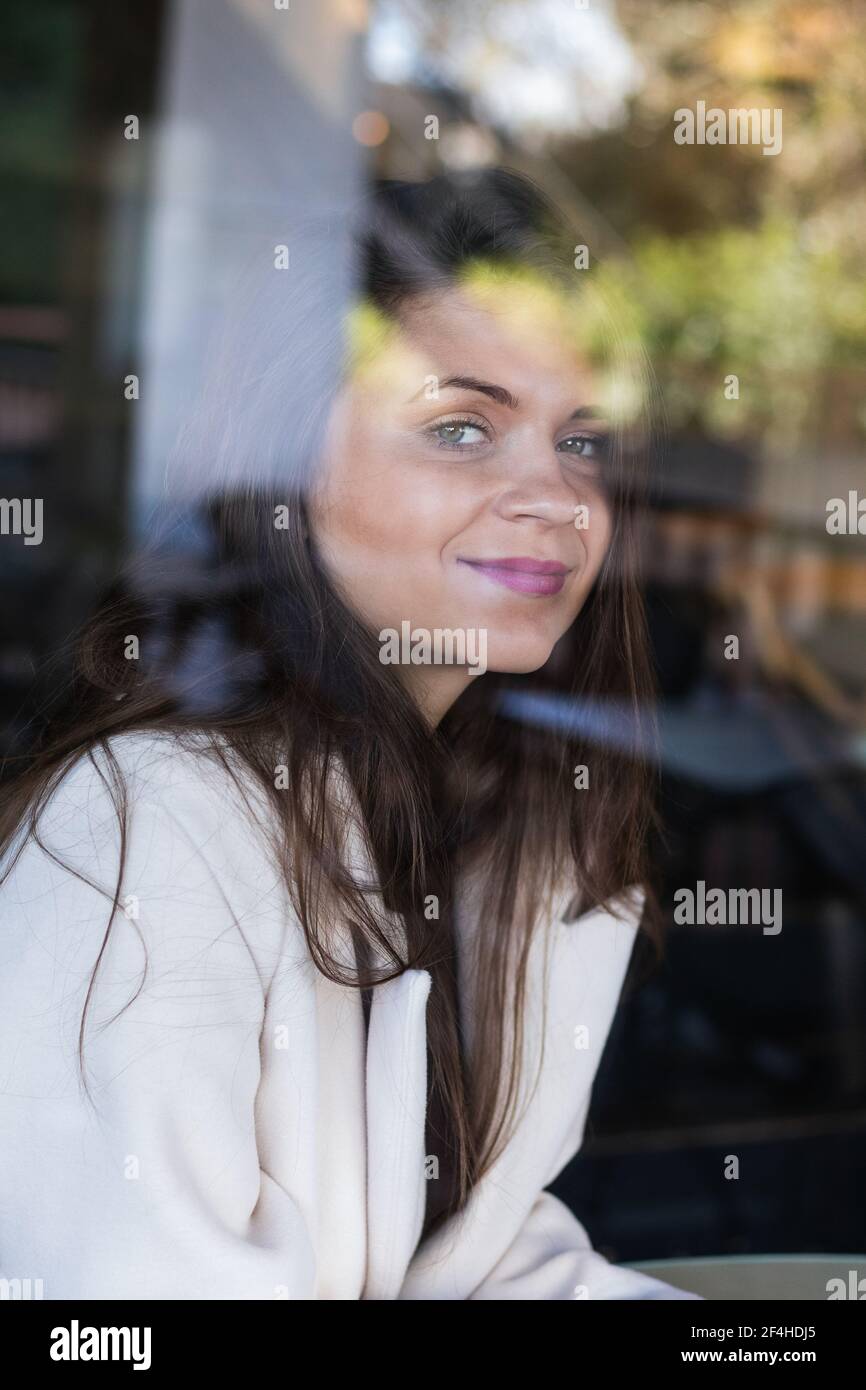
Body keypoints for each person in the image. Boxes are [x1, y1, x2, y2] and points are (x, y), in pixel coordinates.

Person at [0, 168, 700, 1299]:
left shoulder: (501, 821)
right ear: (286, 467)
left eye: (583, 442)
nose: (555, 497)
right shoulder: (147, 831)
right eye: (461, 429)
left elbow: (470, 1264)